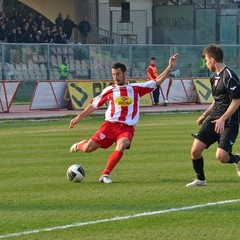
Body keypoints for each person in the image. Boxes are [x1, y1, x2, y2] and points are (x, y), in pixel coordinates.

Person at [69, 53, 178, 184]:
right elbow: (93, 105)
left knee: (122, 145)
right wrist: (78, 117)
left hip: (126, 128)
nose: (115, 77)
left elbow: (157, 81)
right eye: (113, 74)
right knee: (88, 149)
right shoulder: (109, 90)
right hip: (109, 126)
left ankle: (105, 175)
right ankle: (80, 145)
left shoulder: (136, 88)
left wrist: (170, 67)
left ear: (125, 74)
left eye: (118, 74)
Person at [186, 44, 240, 187]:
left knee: (221, 157)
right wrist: (204, 115)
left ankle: (237, 159)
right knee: (195, 151)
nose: (206, 63)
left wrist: (223, 119)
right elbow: (216, 101)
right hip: (214, 120)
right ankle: (201, 180)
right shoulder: (213, 77)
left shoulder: (230, 76)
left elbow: (236, 101)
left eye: (206, 60)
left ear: (212, 59)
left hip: (229, 123)